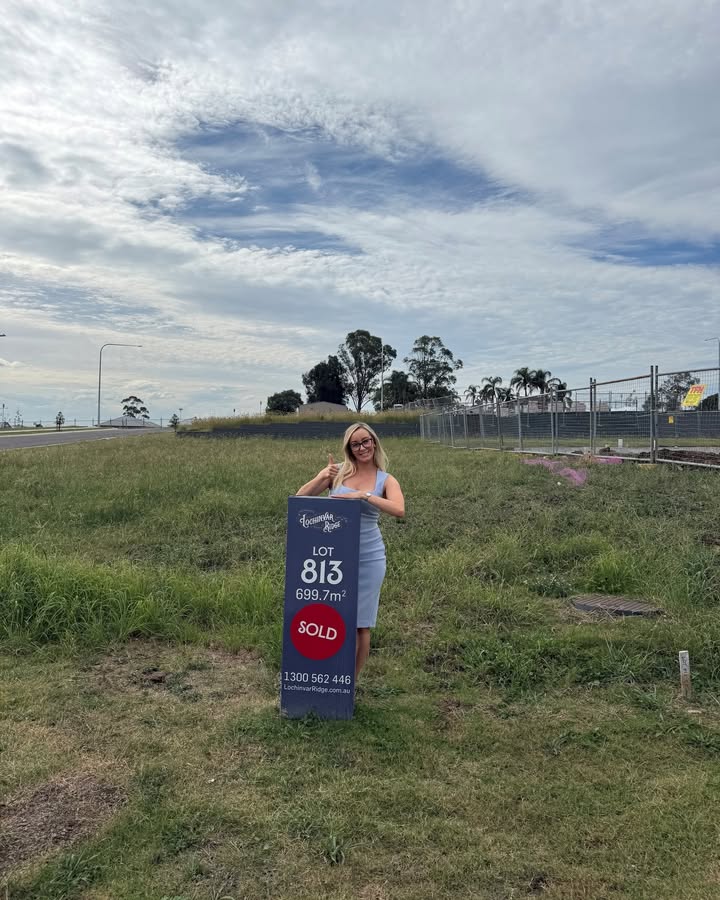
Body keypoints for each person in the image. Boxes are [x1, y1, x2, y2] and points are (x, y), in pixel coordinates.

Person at [296, 422, 405, 678]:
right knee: (331, 617)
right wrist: (322, 476)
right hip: (334, 557)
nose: (362, 447)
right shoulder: (338, 473)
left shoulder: (386, 479)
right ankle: (328, 676)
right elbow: (299, 499)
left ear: (374, 442)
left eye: (365, 441)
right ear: (349, 448)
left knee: (360, 624)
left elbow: (399, 509)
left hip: (369, 557)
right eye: (355, 444)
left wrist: (364, 496)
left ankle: (349, 684)